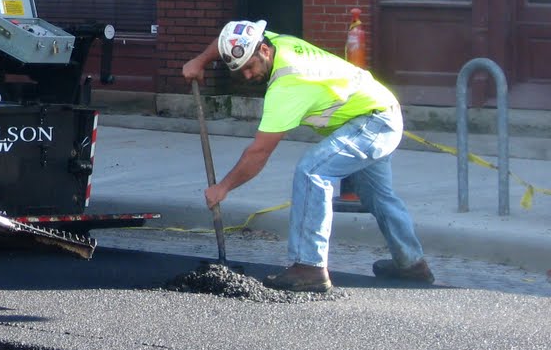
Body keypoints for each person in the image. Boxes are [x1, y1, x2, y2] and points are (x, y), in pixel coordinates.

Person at [181, 19, 433, 294]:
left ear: (263, 50)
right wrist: (200, 60)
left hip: (373, 122)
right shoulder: (276, 43)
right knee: (378, 195)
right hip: (377, 111)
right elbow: (228, 39)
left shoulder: (287, 85)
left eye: (249, 68)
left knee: (312, 172)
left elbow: (259, 152)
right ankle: (411, 264)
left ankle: (310, 267)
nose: (248, 76)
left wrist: (223, 188)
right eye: (240, 71)